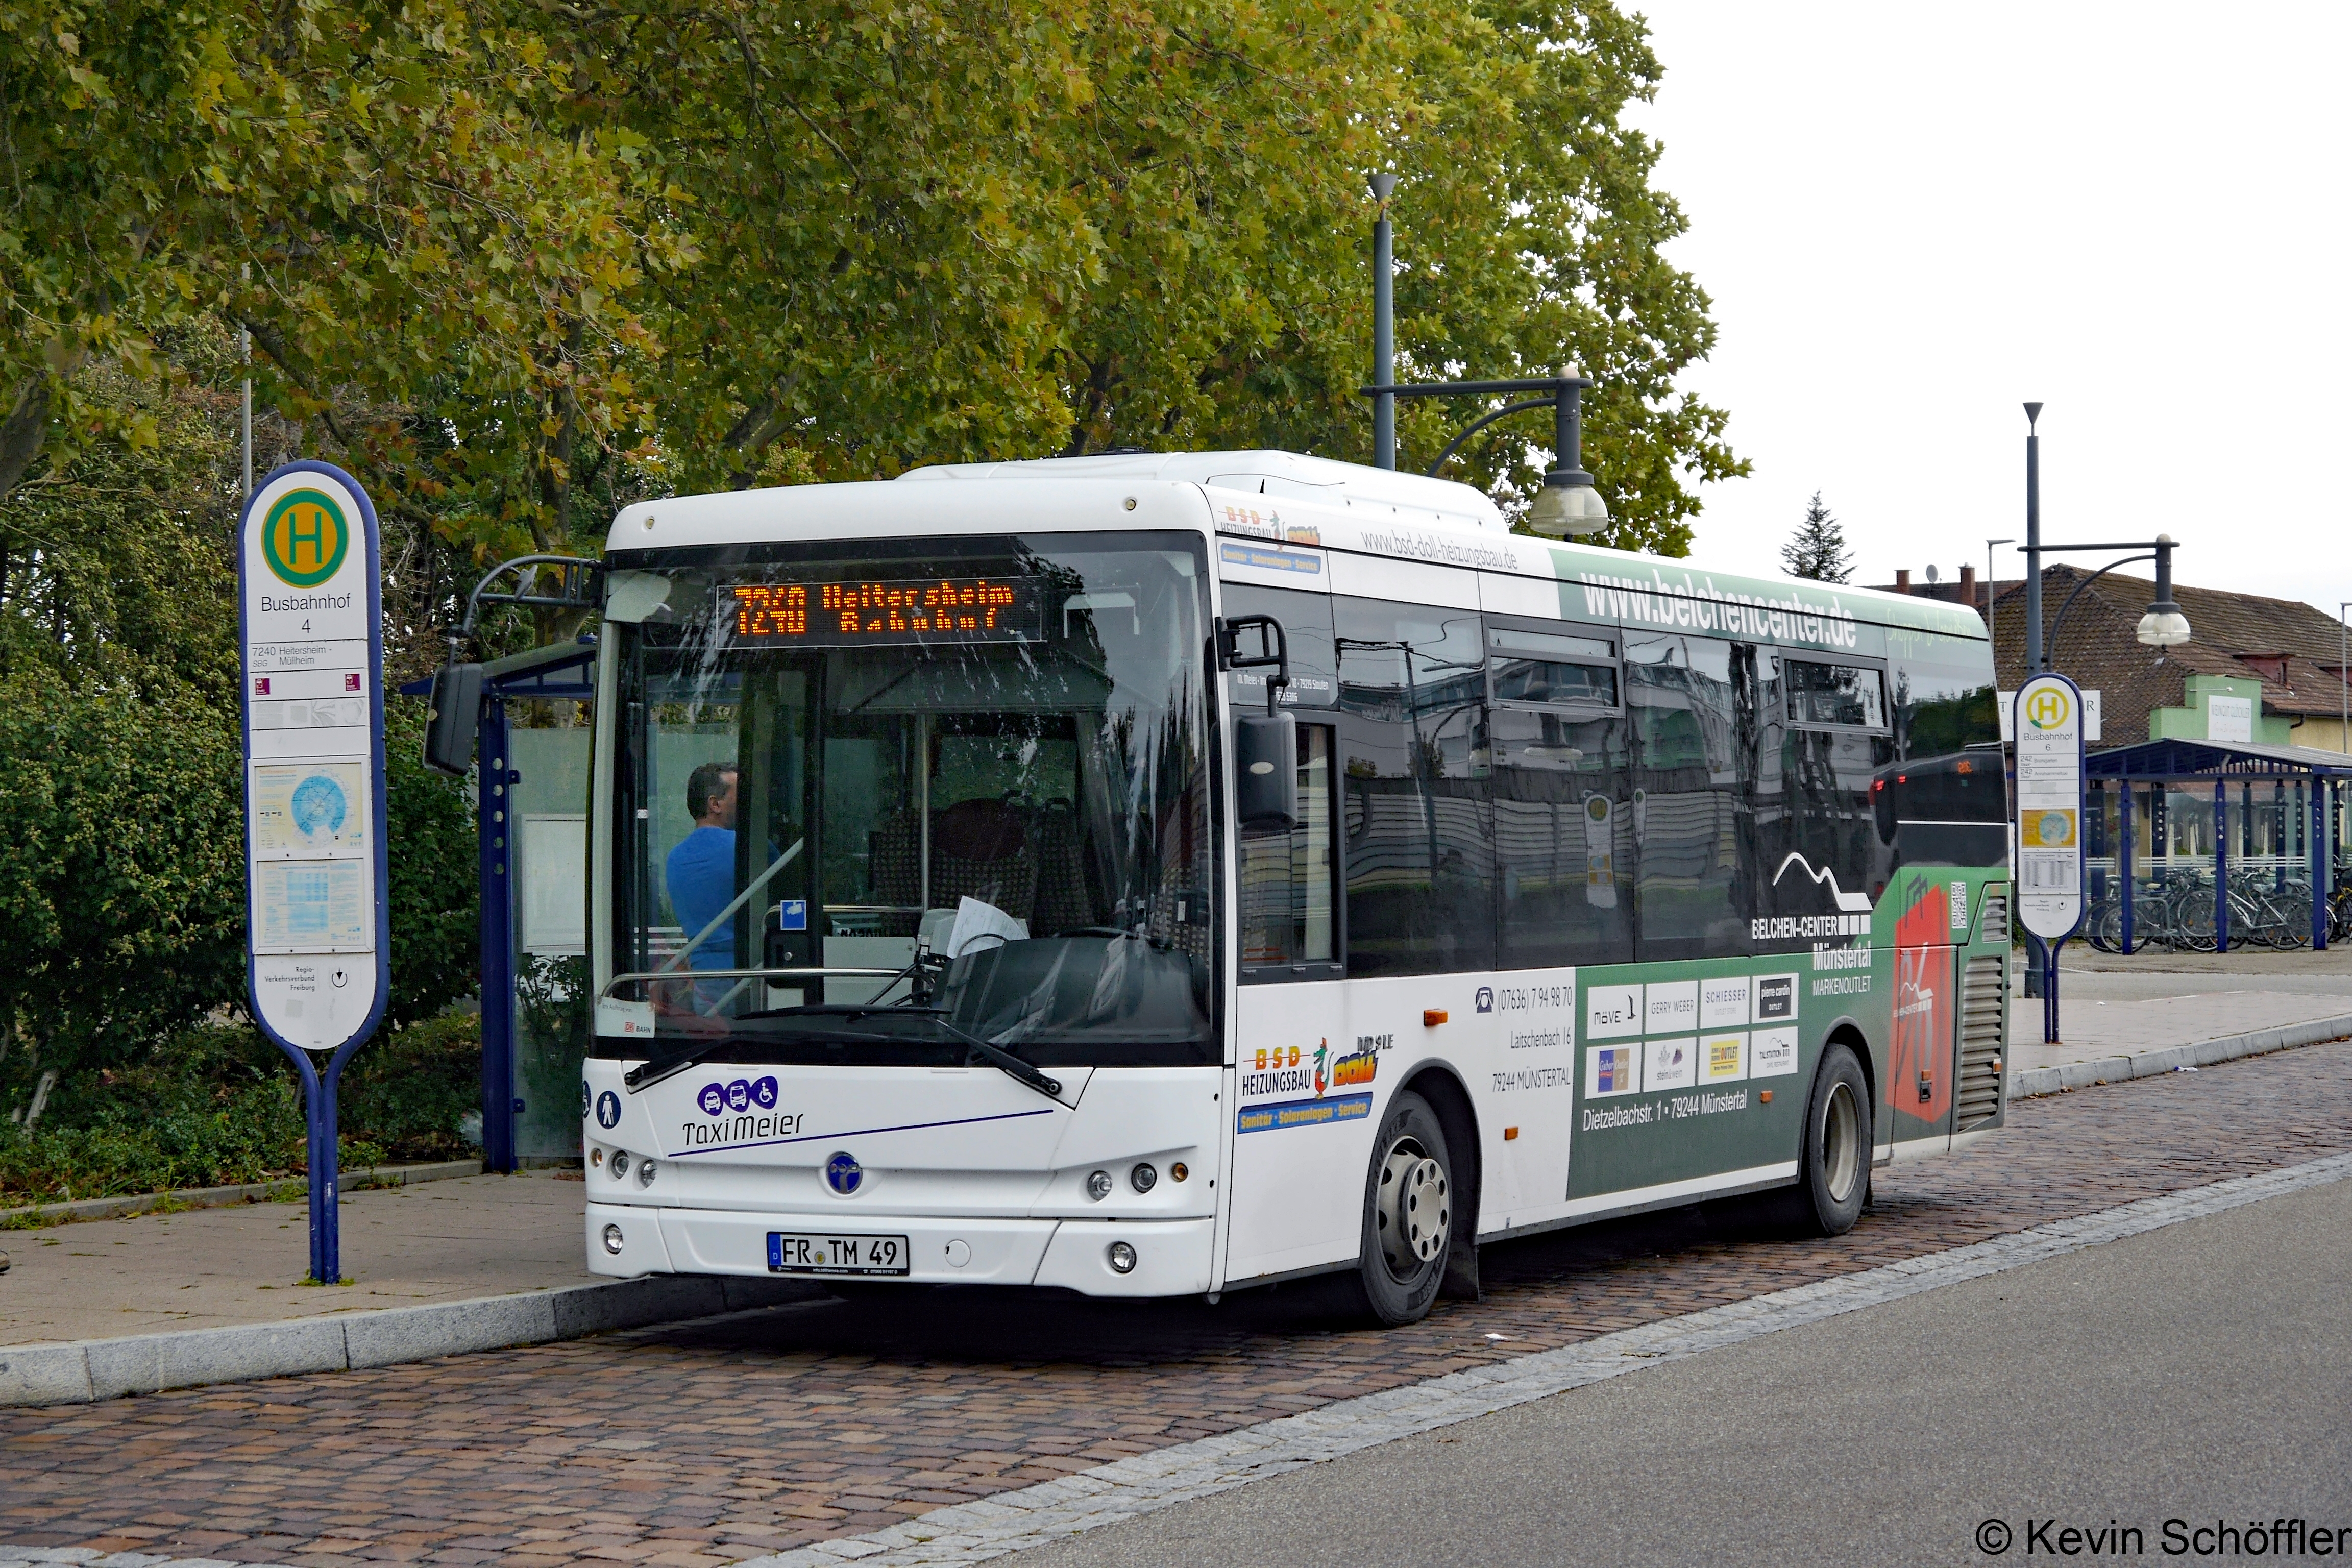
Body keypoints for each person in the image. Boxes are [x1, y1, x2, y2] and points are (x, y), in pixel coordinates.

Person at [666, 762, 740, 975]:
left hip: (702, 978)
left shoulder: (675, 858)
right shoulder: (748, 847)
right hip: (750, 975)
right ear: (715, 804)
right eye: (740, 795)